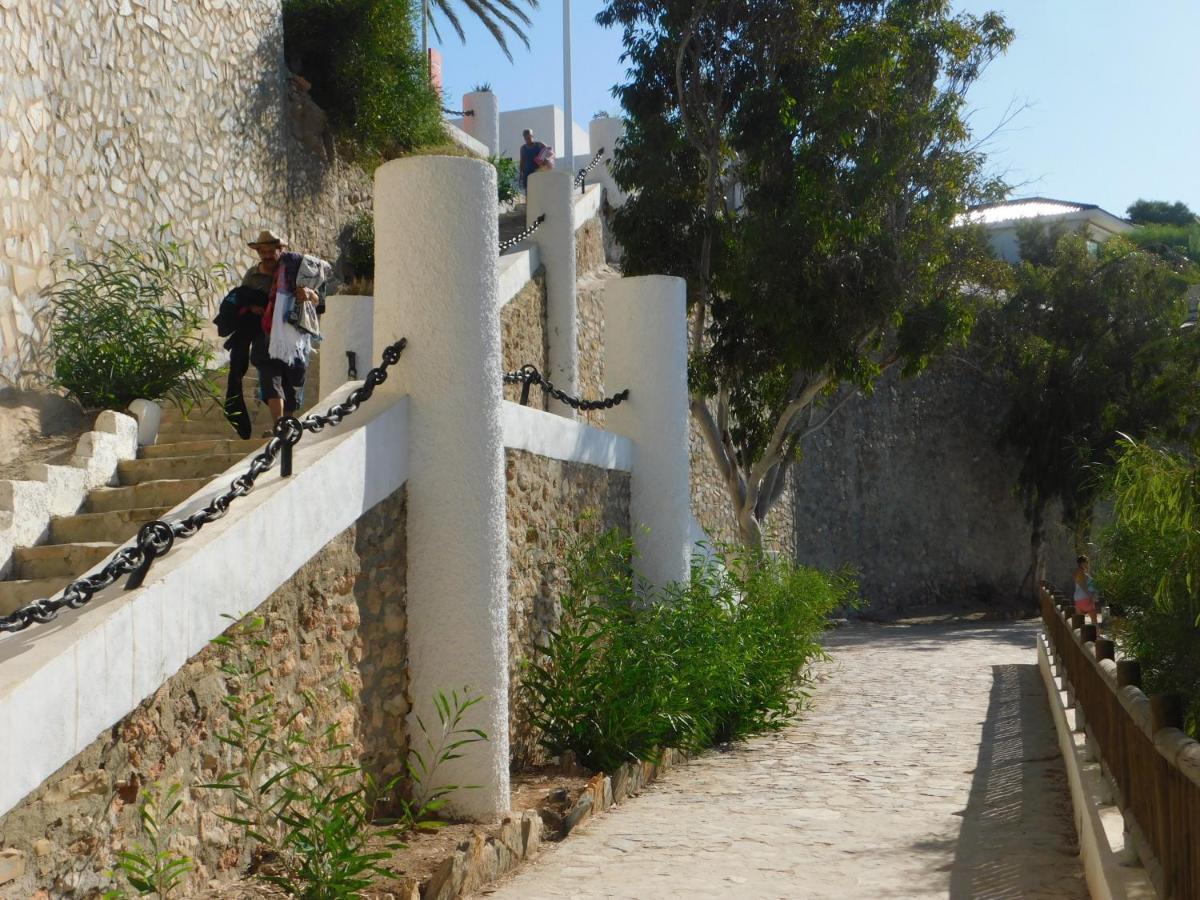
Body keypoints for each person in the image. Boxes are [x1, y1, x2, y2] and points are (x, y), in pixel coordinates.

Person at [242, 230, 325, 431]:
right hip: (265, 337)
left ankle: (286, 425)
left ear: (280, 250)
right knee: (270, 380)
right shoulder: (252, 276)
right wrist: (251, 307)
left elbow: (320, 303)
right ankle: (279, 425)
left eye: (271, 251)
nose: (267, 255)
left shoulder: (297, 271)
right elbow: (241, 300)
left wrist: (309, 294)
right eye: (263, 251)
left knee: (292, 381)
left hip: (295, 338)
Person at [1073, 554, 1100, 630]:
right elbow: (1083, 585)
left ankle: (1082, 639)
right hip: (1086, 598)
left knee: (1079, 622)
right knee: (1094, 621)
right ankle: (1097, 637)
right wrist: (1090, 596)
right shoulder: (1081, 572)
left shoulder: (1077, 572)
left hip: (1078, 599)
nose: (1088, 564)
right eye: (1086, 562)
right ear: (1082, 563)